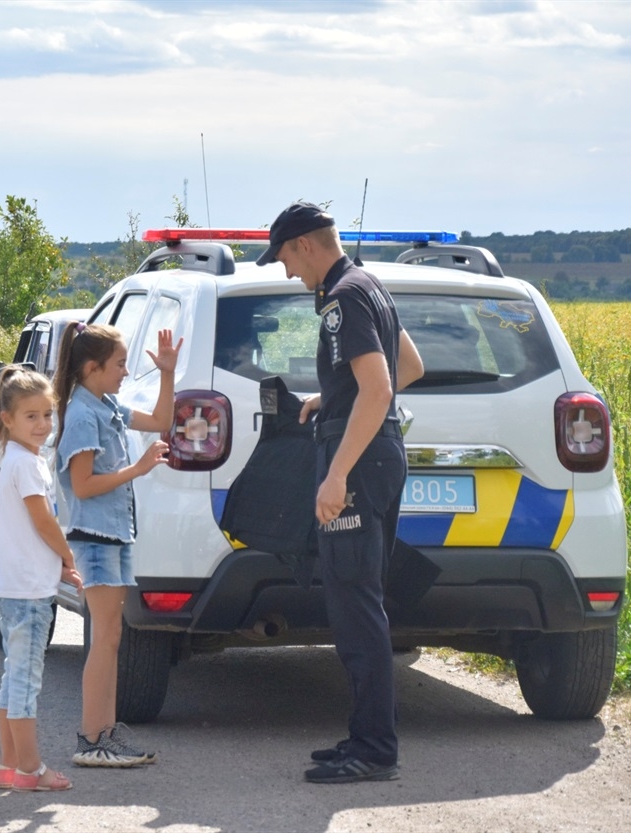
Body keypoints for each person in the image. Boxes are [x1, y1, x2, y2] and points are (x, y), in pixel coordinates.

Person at [256, 199, 424, 784]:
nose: (285, 271)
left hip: (359, 465)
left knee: (356, 610)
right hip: (384, 459)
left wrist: (336, 475)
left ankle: (375, 749)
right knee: (362, 603)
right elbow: (410, 366)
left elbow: (379, 389)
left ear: (304, 244)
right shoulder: (368, 285)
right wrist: (333, 398)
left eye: (284, 258)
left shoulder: (342, 299)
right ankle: (366, 736)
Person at [53, 321, 181, 767]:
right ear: (92, 368)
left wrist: (167, 372)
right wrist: (139, 468)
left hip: (113, 535)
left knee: (110, 637)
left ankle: (103, 735)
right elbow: (83, 486)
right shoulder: (84, 414)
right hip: (96, 538)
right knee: (105, 638)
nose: (126, 372)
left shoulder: (104, 404)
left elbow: (162, 421)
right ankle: (92, 739)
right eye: (120, 364)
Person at [0, 367, 82, 792]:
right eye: (31, 417)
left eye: (47, 415)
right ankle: (30, 770)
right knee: (25, 680)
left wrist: (56, 564)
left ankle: (9, 766)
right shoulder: (28, 465)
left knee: (13, 675)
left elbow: (28, 527)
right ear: (8, 419)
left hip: (10, 586)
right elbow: (43, 521)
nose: (42, 425)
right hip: (28, 592)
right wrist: (68, 556)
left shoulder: (15, 460)